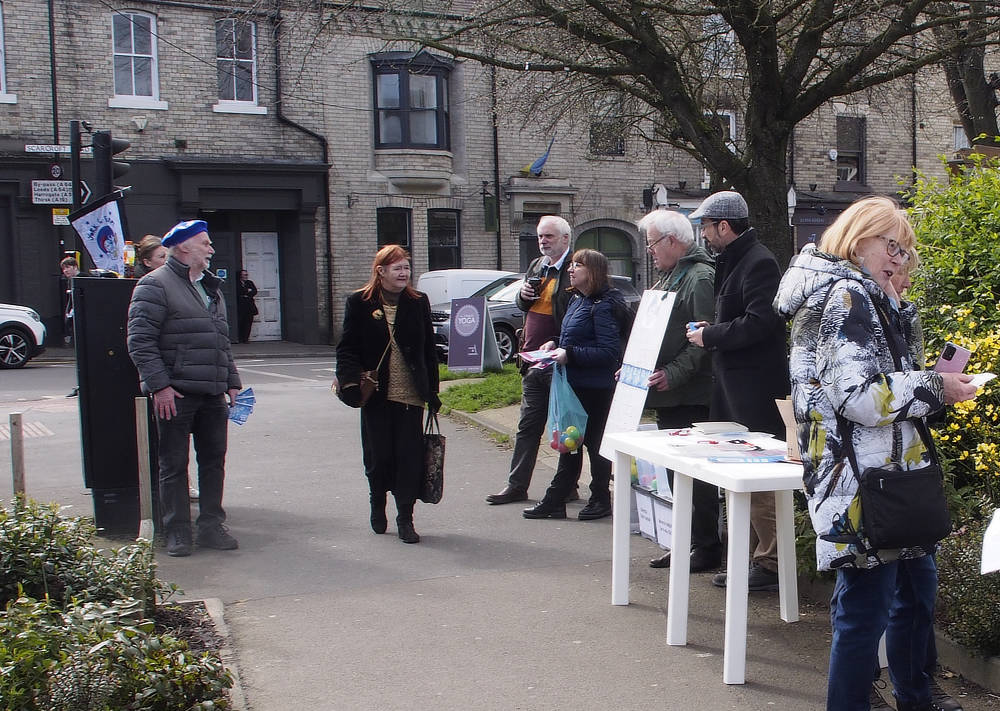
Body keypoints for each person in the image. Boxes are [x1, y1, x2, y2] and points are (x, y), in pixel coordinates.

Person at [773, 196, 977, 710]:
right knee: (865, 614)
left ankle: (915, 694)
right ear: (858, 235)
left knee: (908, 594)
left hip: (885, 479)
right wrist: (936, 386)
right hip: (864, 484)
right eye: (892, 246)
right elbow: (860, 397)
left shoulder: (861, 294)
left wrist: (900, 312)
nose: (899, 260)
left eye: (906, 253)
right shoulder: (845, 295)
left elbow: (880, 383)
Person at [686, 190, 789, 592]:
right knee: (735, 475)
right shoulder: (735, 259)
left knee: (758, 479)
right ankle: (750, 558)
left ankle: (771, 564)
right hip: (733, 387)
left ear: (724, 226)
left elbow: (762, 323)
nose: (705, 235)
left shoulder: (759, 261)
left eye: (707, 227)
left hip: (755, 390)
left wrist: (710, 335)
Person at [127, 219, 243, 557]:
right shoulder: (154, 285)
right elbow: (140, 342)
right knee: (174, 464)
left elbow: (222, 342)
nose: (211, 249)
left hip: (212, 393)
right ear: (183, 247)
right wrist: (160, 386)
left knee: (213, 461)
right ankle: (177, 531)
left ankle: (210, 526)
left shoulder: (211, 287)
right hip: (175, 394)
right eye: (204, 243)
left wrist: (232, 384)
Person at [334, 245, 440, 544]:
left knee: (409, 458)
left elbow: (428, 351)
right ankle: (377, 500)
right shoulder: (359, 302)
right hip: (376, 395)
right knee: (379, 456)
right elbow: (347, 348)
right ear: (380, 271)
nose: (404, 273)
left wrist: (432, 391)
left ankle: (405, 517)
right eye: (398, 268)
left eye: (407, 267)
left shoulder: (418, 302)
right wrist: (350, 383)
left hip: (411, 396)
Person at [637, 210, 720, 571]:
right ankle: (689, 542)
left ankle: (705, 547)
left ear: (672, 241)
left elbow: (704, 338)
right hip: (670, 393)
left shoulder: (699, 277)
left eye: (652, 243)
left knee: (694, 476)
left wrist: (673, 372)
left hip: (690, 394)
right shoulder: (672, 276)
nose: (650, 251)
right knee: (676, 473)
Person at [522, 248, 622, 520]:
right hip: (574, 385)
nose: (570, 269)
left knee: (593, 444)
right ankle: (558, 498)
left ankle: (598, 498)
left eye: (577, 265)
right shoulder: (577, 300)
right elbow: (573, 335)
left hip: (596, 388)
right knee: (571, 442)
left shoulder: (604, 305)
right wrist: (556, 342)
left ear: (593, 272)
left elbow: (608, 352)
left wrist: (571, 354)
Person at [486, 215, 577, 505]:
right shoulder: (537, 267)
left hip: (560, 359)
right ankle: (516, 485)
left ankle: (566, 486)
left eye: (549, 236)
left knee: (565, 428)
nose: (543, 241)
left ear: (565, 238)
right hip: (532, 357)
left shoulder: (576, 267)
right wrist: (522, 297)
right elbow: (524, 305)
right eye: (540, 236)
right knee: (528, 425)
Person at [236, 270, 258, 344]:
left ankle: (246, 338)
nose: (246, 276)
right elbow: (238, 292)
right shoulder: (237, 283)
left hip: (249, 305)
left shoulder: (250, 282)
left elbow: (254, 291)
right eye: (244, 275)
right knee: (240, 321)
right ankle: (239, 338)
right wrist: (247, 290)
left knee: (248, 322)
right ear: (240, 276)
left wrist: (248, 293)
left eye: (246, 275)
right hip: (241, 306)